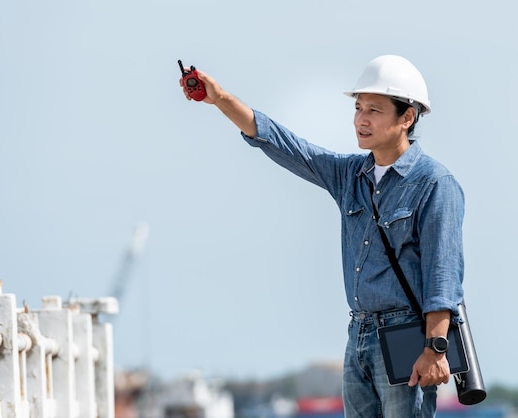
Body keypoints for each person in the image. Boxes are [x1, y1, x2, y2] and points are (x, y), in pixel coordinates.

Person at [180, 55, 465, 417]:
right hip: (358, 331)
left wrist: (435, 349)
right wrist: (220, 99)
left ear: (407, 117)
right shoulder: (350, 175)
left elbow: (443, 274)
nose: (361, 119)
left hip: (407, 334)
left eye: (374, 110)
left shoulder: (435, 184)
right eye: (359, 108)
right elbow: (282, 143)